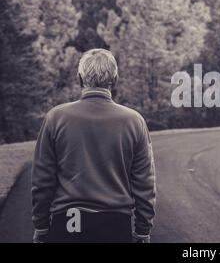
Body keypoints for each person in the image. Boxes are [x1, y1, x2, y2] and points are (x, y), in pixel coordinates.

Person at [31, 49, 156, 243]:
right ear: (114, 80)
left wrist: (41, 225)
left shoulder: (56, 118)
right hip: (115, 224)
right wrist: (142, 229)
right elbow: (144, 182)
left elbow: (42, 179)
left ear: (80, 78)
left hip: (67, 223)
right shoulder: (134, 121)